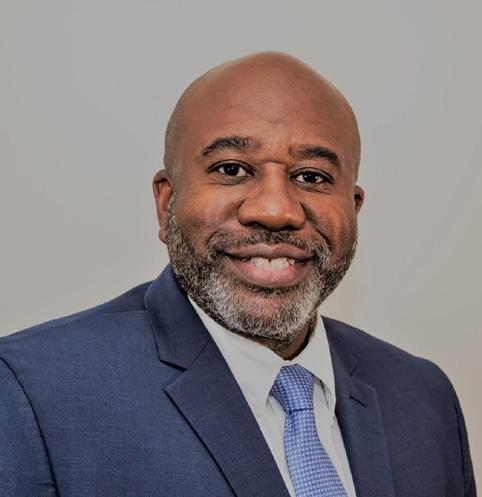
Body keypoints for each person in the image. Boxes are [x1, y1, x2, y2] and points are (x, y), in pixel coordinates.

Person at [0, 52, 476, 497]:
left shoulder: (424, 398)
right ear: (166, 203)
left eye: (311, 176)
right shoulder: (31, 393)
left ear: (353, 208)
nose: (274, 210)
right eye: (232, 169)